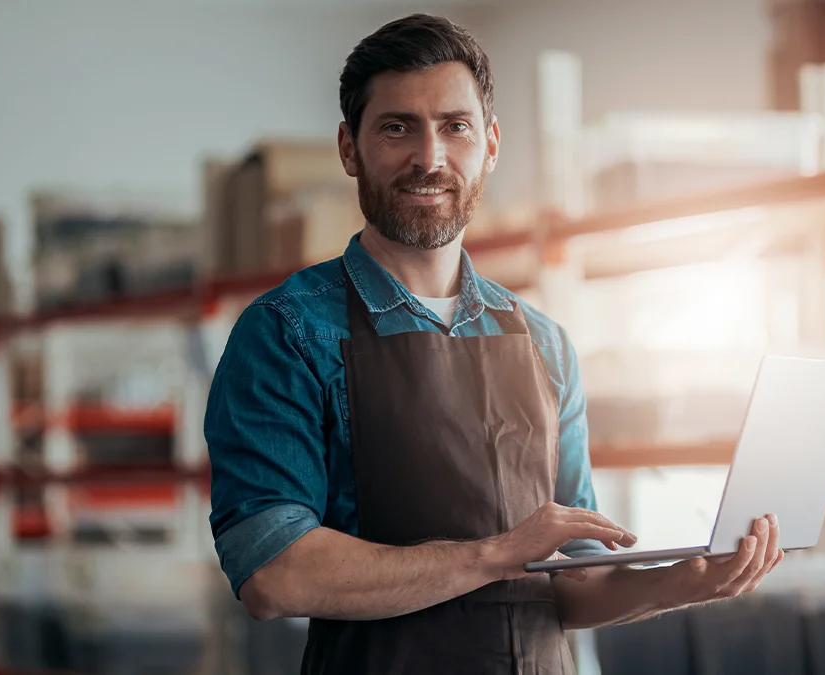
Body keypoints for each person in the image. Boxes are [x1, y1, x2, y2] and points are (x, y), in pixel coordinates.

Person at [204, 13, 784, 674]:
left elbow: (575, 581)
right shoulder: (287, 331)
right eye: (398, 128)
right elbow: (275, 574)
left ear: (491, 143)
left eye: (455, 127)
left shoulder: (544, 343)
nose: (430, 158)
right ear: (349, 148)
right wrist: (499, 552)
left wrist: (691, 581)